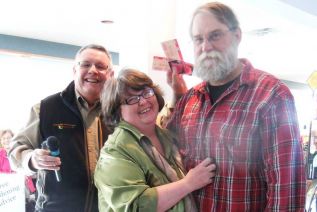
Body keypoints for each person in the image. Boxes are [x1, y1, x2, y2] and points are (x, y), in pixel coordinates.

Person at [166, 2, 306, 211]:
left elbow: (286, 190)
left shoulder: (272, 96)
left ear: (237, 36)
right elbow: (163, 150)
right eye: (198, 39)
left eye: (215, 36)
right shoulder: (189, 100)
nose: (206, 47)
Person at [8, 44, 113, 212]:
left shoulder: (119, 112)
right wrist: (32, 159)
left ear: (110, 74)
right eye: (85, 64)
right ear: (74, 70)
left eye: (100, 66)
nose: (93, 70)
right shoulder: (45, 108)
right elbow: (15, 150)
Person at [94, 68, 216, 212]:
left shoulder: (166, 136)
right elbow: (135, 206)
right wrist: (189, 183)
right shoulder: (115, 151)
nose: (144, 101)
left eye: (146, 93)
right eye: (132, 99)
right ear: (117, 110)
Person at [0, 129, 36, 212]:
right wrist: (14, 178)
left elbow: (27, 167)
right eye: (4, 138)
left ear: (13, 139)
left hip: (25, 189)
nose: (6, 140)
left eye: (8, 138)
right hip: (7, 193)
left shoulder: (19, 152)